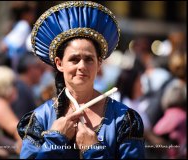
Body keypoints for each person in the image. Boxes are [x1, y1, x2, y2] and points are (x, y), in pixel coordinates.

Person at [17, 1, 145, 159]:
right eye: (74, 59)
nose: (82, 66)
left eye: (89, 59)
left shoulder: (124, 119)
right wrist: (55, 140)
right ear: (59, 63)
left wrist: (93, 149)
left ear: (99, 64)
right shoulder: (40, 118)